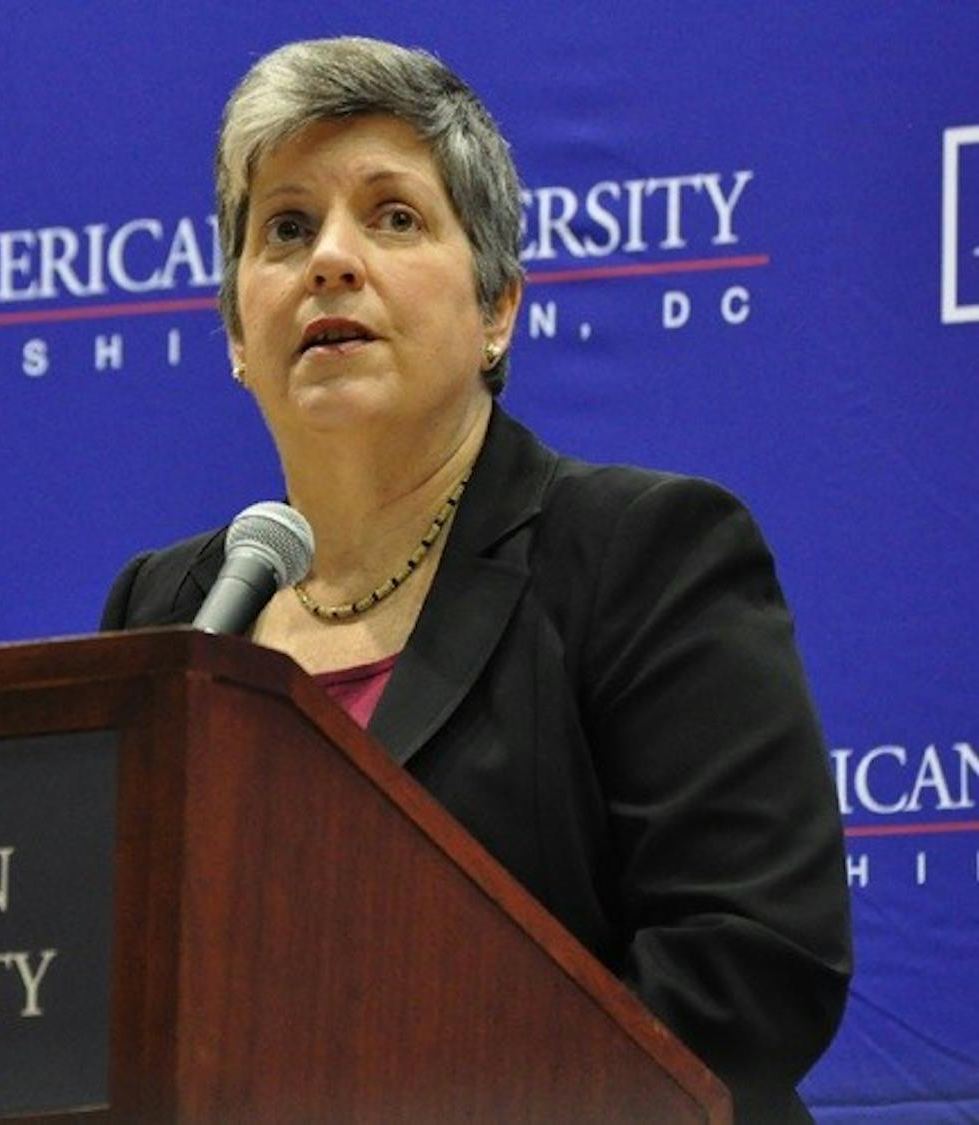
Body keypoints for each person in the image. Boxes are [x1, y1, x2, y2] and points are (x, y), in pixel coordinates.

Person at [100, 36, 850, 1122]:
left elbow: (750, 969)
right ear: (234, 331)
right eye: (287, 227)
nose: (331, 261)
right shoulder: (171, 614)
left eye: (394, 217)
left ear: (497, 308)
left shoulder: (642, 553)